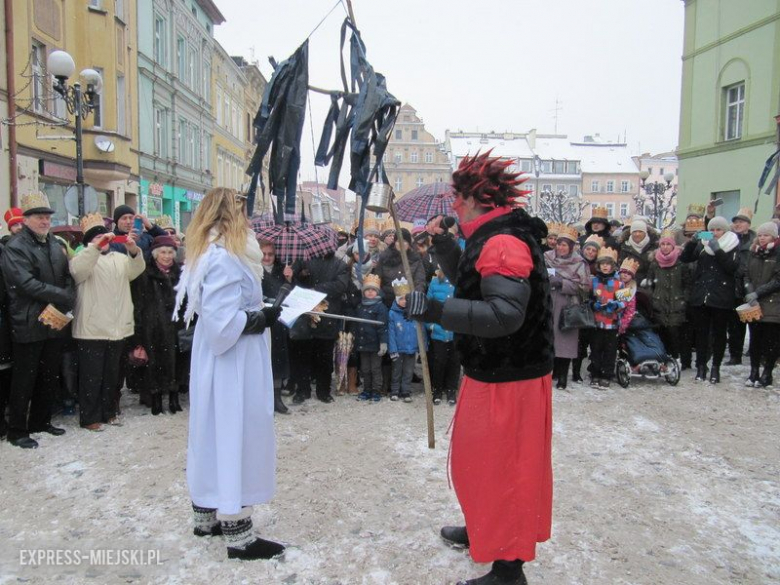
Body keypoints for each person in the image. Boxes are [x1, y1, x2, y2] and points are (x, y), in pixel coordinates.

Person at [407, 151, 553, 585]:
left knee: (505, 468)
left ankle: (508, 569)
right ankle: (484, 530)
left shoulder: (504, 242)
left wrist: (435, 309)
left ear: (476, 198)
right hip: (492, 372)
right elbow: (475, 282)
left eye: (457, 196)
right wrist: (449, 247)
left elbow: (503, 315)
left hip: (511, 379)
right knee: (478, 462)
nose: (452, 204)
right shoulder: (489, 236)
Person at [176, 187, 284, 561]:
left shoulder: (214, 252)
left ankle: (206, 513)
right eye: (243, 212)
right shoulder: (223, 258)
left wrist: (260, 308)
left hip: (222, 361)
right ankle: (238, 533)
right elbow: (223, 326)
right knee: (234, 433)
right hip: (232, 363)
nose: (248, 220)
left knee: (212, 433)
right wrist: (260, 318)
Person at [0, 192, 75, 449]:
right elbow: (26, 284)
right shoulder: (16, 247)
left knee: (48, 375)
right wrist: (61, 295)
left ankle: (40, 422)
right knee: (25, 378)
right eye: (40, 217)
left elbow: (67, 274)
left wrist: (67, 293)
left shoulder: (54, 243)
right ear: (27, 219)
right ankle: (17, 430)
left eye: (47, 217)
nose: (45, 221)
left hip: (53, 321)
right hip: (28, 321)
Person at [70, 214, 145, 430]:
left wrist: (133, 250)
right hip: (92, 329)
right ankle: (90, 417)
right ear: (88, 242)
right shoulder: (83, 258)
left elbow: (136, 270)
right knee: (91, 377)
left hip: (117, 327)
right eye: (97, 238)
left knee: (112, 375)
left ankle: (109, 412)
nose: (102, 242)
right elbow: (77, 271)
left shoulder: (118, 258)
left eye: (104, 238)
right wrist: (94, 248)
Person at [128, 235, 183, 416]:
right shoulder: (146, 274)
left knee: (175, 362)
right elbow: (139, 302)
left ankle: (174, 397)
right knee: (154, 363)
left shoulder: (180, 273)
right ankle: (156, 397)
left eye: (170, 252)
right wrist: (139, 329)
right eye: (163, 253)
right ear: (155, 255)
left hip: (174, 325)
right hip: (152, 325)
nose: (167, 256)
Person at [680, 216, 740, 383]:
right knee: (701, 334)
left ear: (725, 231)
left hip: (721, 296)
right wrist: (692, 242)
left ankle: (715, 367)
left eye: (718, 230)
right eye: (712, 230)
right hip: (701, 295)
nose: (714, 233)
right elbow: (685, 259)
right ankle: (701, 366)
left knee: (719, 334)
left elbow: (732, 267)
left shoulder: (732, 244)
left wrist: (718, 250)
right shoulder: (703, 244)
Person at [290, 248, 349, 404]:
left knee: (324, 357)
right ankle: (302, 390)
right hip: (304, 314)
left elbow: (341, 285)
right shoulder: (303, 260)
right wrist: (299, 275)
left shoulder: (339, 264)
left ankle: (323, 391)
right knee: (302, 355)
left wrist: (316, 289)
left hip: (327, 314)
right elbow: (292, 279)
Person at [544, 225, 591, 390]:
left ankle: (563, 375)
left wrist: (563, 283)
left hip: (568, 306)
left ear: (571, 247)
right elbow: (540, 275)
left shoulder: (579, 262)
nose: (560, 247)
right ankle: (550, 372)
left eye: (564, 245)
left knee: (565, 342)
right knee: (548, 340)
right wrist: (548, 280)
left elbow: (584, 286)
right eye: (559, 244)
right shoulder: (547, 257)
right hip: (548, 303)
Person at [738, 221, 780, 387]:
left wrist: (758, 292)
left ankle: (767, 372)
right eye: (760, 235)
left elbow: (778, 280)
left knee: (771, 340)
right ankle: (753, 371)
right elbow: (746, 274)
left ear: (774, 236)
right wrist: (749, 290)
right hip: (754, 303)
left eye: (766, 235)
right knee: (755, 340)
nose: (762, 238)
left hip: (773, 303)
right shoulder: (753, 252)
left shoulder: (777, 253)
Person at [645, 230, 690, 363]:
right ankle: (662, 358)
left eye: (668, 244)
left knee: (674, 333)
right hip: (659, 304)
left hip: (676, 304)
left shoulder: (680, 264)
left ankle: (675, 358)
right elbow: (649, 283)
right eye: (662, 244)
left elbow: (687, 284)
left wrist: (684, 299)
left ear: (673, 246)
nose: (665, 247)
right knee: (661, 333)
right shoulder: (655, 264)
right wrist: (653, 298)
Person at [259, 240, 292, 414]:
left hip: (278, 320)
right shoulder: (254, 270)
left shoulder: (281, 271)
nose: (267, 258)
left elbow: (290, 294)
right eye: (264, 254)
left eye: (270, 254)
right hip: (261, 319)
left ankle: (276, 396)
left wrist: (289, 279)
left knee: (277, 360)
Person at [589, 247, 625, 389]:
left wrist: (614, 305)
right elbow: (588, 300)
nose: (605, 266)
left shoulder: (620, 283)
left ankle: (606, 374)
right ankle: (595, 373)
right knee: (595, 349)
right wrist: (594, 305)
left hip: (612, 323)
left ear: (613, 266)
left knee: (610, 351)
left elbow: (624, 303)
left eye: (608, 263)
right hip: (596, 322)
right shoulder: (593, 282)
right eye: (602, 263)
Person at [725, 207, 756, 365]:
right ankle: (735, 355)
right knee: (735, 324)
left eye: (741, 221)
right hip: (732, 286)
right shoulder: (729, 239)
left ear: (748, 224)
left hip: (750, 286)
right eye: (736, 222)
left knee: (753, 322)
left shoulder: (755, 240)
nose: (738, 224)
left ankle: (754, 351)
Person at [571, 234, 603, 383]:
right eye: (588, 249)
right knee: (580, 343)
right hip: (580, 306)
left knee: (595, 342)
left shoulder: (601, 266)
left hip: (597, 307)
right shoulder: (576, 263)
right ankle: (576, 372)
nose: (590, 252)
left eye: (593, 250)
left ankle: (594, 370)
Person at [353, 274, 388, 402]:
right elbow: (357, 325)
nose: (370, 292)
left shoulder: (381, 307)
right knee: (365, 369)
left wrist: (383, 342)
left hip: (375, 344)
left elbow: (383, 327)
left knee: (375, 369)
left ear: (377, 292)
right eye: (367, 290)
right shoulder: (360, 306)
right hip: (363, 343)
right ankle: (367, 389)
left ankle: (376, 391)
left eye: (373, 290)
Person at [427, 267, 459, 405]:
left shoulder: (459, 282)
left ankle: (451, 389)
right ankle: (437, 389)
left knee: (454, 361)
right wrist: (431, 326)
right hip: (439, 329)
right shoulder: (434, 283)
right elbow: (427, 306)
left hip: (455, 330)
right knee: (439, 361)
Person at [388, 278, 420, 402]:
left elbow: (419, 331)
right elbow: (391, 332)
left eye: (406, 298)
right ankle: (395, 390)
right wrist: (393, 349)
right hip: (398, 347)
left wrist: (420, 347)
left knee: (408, 370)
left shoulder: (415, 313)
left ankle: (406, 391)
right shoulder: (392, 313)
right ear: (397, 300)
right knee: (396, 370)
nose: (404, 301)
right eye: (401, 299)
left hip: (411, 348)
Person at [617, 218, 658, 295]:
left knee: (644, 304)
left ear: (645, 233)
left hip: (647, 286)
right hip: (626, 285)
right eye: (634, 231)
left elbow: (655, 268)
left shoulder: (654, 246)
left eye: (640, 231)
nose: (637, 234)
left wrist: (648, 280)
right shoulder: (623, 246)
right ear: (631, 233)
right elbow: (619, 266)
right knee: (624, 305)